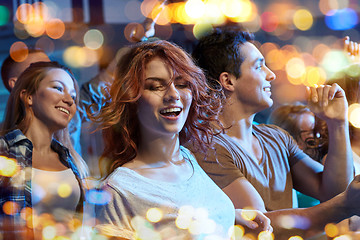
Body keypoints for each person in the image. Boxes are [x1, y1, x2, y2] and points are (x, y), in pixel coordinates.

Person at [91, 40, 271, 239]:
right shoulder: (121, 189)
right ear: (132, 100)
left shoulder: (188, 159)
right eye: (155, 86)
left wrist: (229, 216)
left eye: (182, 84)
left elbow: (183, 217)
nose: (173, 95)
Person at [191, 27, 358, 239]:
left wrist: (338, 122)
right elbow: (259, 227)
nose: (271, 75)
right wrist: (343, 206)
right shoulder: (205, 146)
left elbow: (335, 191)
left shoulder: (275, 137)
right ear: (228, 81)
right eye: (259, 67)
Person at [0, 61, 89, 239]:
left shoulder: (73, 161)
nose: (70, 100)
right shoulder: (4, 152)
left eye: (72, 95)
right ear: (28, 97)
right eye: (58, 88)